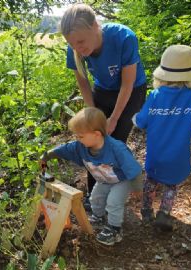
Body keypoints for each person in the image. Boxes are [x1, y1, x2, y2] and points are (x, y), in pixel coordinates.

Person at [60, 4, 147, 204]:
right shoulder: (74, 48)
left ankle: (117, 193)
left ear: (95, 26)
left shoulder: (124, 37)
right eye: (73, 44)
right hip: (103, 91)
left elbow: (127, 84)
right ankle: (94, 197)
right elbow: (83, 81)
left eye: (81, 41)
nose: (78, 48)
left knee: (113, 141)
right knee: (92, 140)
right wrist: (91, 113)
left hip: (131, 91)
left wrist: (114, 118)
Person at [133, 45, 191, 231]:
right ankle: (164, 213)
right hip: (178, 157)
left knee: (150, 181)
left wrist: (135, 118)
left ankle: (145, 211)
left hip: (156, 155)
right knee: (171, 186)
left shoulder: (155, 96)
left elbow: (141, 122)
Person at [40, 107, 142, 245]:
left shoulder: (117, 149)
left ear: (96, 134)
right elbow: (64, 149)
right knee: (95, 199)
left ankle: (114, 229)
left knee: (113, 202)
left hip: (121, 181)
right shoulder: (80, 146)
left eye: (80, 136)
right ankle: (99, 217)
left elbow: (133, 169)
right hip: (103, 180)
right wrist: (47, 155)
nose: (78, 139)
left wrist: (137, 188)